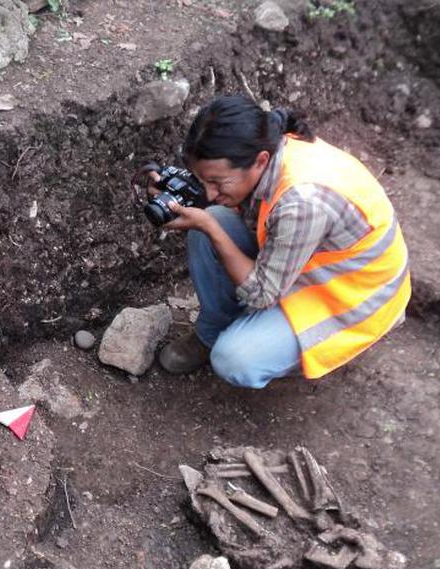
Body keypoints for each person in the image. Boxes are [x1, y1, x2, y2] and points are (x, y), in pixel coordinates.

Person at [153, 95, 411, 388]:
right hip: (313, 263)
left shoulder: (301, 203)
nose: (210, 192)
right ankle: (211, 333)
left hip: (351, 298)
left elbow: (261, 293)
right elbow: (225, 196)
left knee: (235, 358)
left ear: (260, 161)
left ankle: (274, 347)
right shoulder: (270, 142)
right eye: (204, 181)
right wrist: (174, 189)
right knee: (210, 219)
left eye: (218, 183)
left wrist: (210, 226)